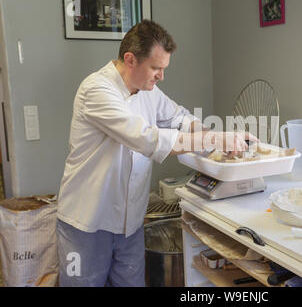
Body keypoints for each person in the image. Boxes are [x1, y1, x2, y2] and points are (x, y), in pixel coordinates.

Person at [57, 20, 254, 287]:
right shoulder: (96, 90)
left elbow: (179, 117)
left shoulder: (148, 90)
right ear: (130, 59)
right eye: (156, 68)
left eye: (163, 68)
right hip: (87, 222)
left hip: (131, 223)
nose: (161, 75)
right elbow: (146, 138)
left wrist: (206, 133)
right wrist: (216, 138)